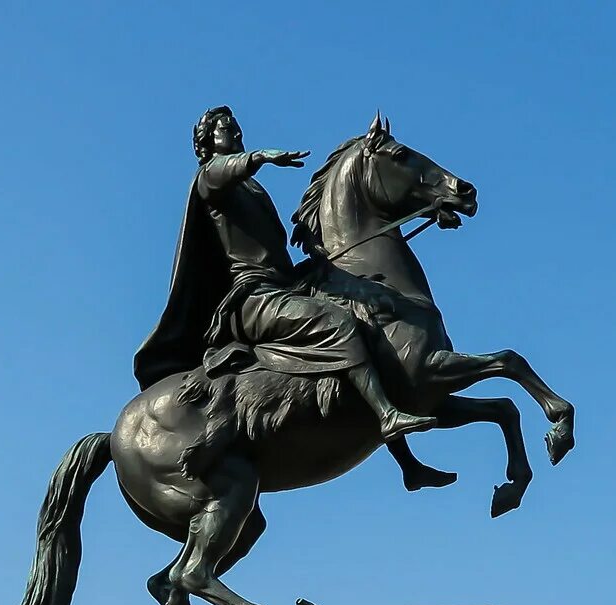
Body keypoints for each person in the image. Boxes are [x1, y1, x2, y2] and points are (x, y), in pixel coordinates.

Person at [135, 106, 435, 440]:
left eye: (236, 125)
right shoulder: (211, 178)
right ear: (208, 142)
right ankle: (387, 414)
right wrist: (259, 156)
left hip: (280, 287)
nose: (235, 131)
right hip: (252, 299)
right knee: (335, 321)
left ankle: (406, 460)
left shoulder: (251, 189)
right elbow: (220, 172)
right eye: (225, 128)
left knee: (366, 314)